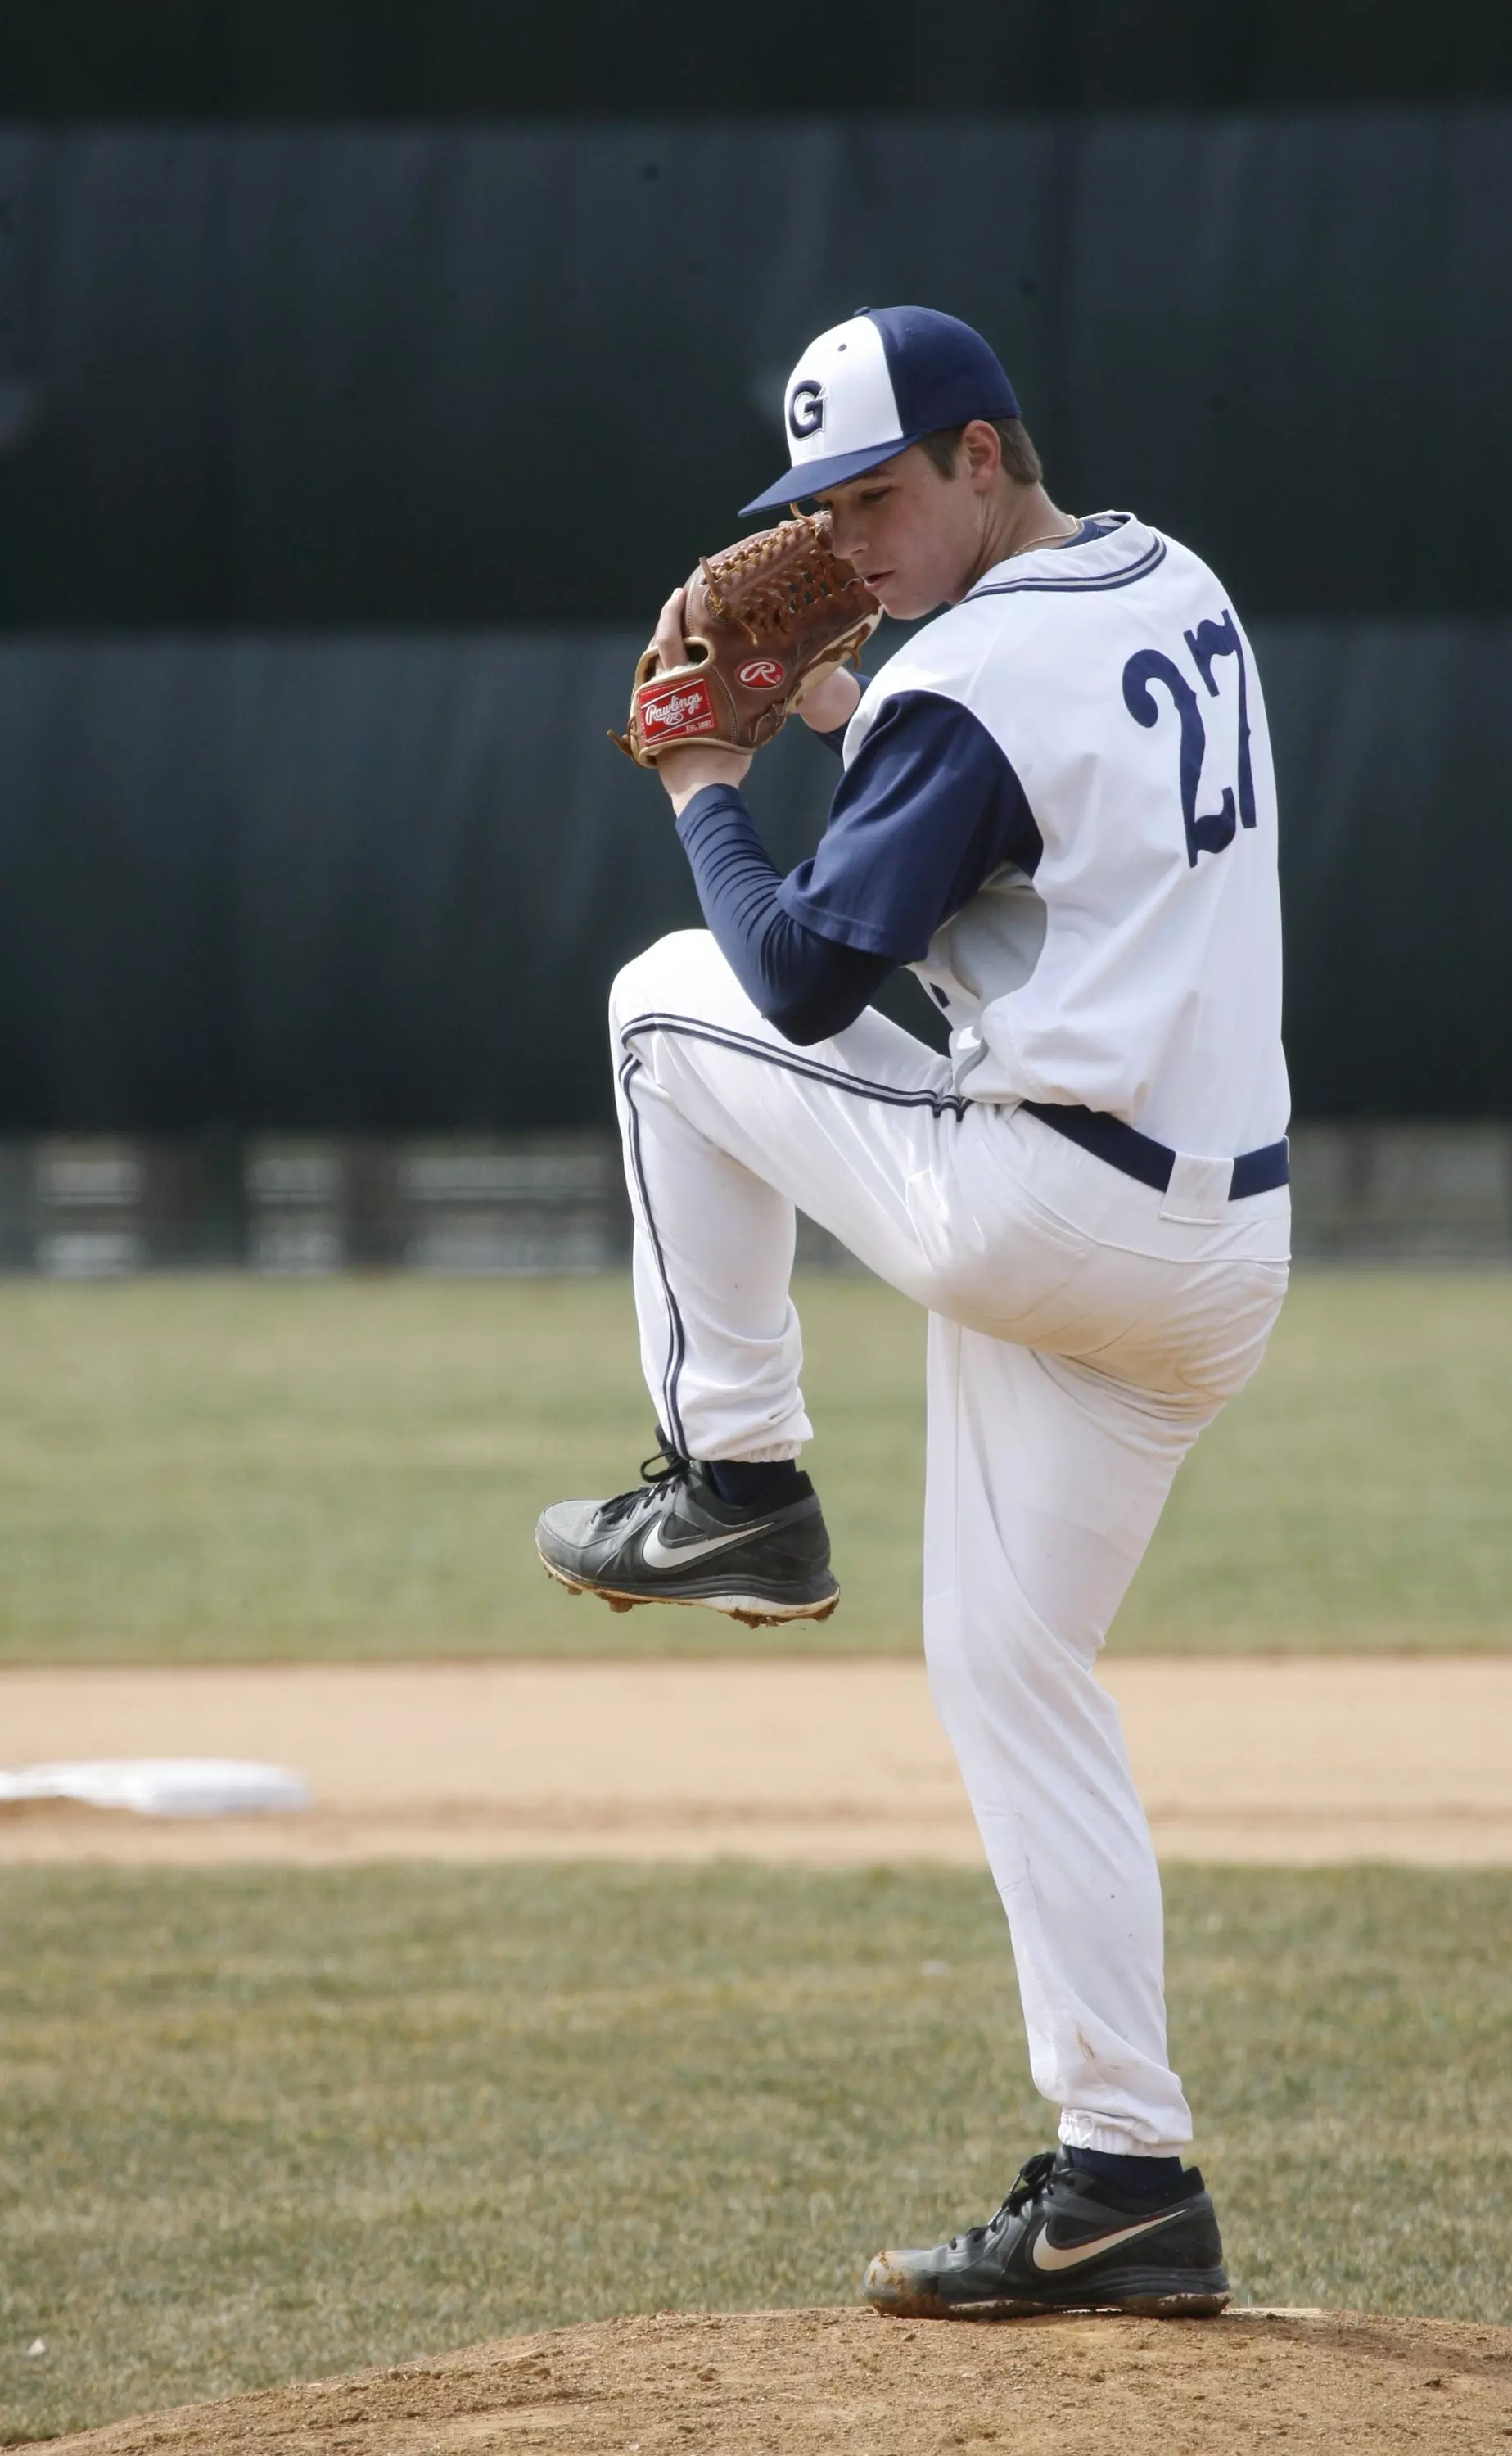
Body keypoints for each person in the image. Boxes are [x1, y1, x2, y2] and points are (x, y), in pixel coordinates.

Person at [536, 305, 1290, 2318]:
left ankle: (737, 1481)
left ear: (978, 451)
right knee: (1011, 1676)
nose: (838, 540)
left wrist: (704, 778)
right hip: (1216, 1257)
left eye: (873, 494)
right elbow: (1041, 800)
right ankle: (1126, 2179)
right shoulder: (1170, 576)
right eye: (817, 503)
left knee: (663, 1006)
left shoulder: (962, 684)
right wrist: (851, 709)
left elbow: (795, 978)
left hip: (1046, 1209)